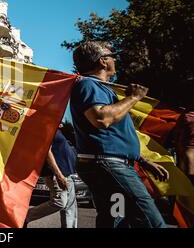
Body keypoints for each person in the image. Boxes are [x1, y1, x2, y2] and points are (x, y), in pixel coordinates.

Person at [70, 41, 170, 228]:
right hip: (109, 166)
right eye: (112, 56)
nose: (116, 60)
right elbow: (101, 119)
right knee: (152, 222)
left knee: (116, 220)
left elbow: (114, 135)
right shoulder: (89, 85)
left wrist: (143, 160)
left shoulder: (100, 87)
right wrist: (133, 97)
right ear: (103, 61)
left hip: (109, 164)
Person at [25, 126, 78, 228]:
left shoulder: (57, 127)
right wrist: (59, 175)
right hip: (56, 173)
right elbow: (47, 151)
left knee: (70, 208)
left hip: (67, 172)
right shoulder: (47, 126)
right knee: (60, 202)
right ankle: (26, 216)